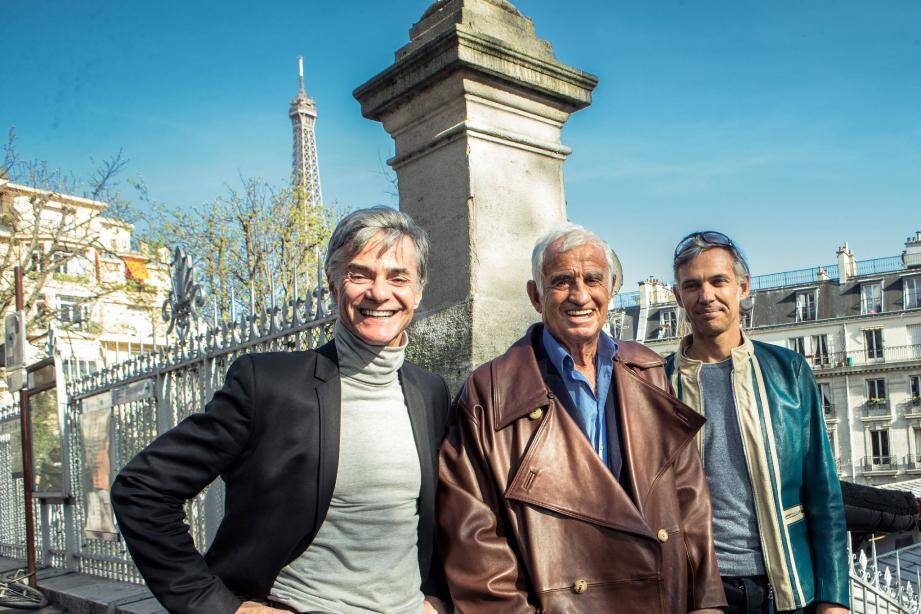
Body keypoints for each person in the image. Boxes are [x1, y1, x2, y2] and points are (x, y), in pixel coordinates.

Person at [111, 207, 451, 614]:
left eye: (398, 277)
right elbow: (142, 489)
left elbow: (434, 517)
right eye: (359, 274)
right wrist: (220, 607)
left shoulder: (429, 391)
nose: (379, 292)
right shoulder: (269, 385)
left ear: (418, 291)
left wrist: (436, 599)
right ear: (332, 282)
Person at [437, 224, 727, 613]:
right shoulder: (489, 392)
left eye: (593, 279)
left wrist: (707, 603)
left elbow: (690, 499)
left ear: (610, 291)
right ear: (535, 296)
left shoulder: (648, 369)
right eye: (561, 281)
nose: (580, 295)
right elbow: (474, 541)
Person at [666, 230, 849, 613]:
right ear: (678, 296)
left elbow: (823, 491)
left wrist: (834, 598)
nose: (707, 296)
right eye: (693, 285)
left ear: (743, 287)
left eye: (719, 281)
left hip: (786, 585)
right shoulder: (657, 382)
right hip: (700, 592)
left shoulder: (789, 371)